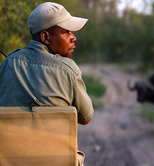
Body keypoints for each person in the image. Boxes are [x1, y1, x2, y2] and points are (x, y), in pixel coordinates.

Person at [0, 2, 94, 165]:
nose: (73, 37)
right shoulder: (68, 70)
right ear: (45, 37)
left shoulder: (7, 63)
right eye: (66, 32)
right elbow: (85, 118)